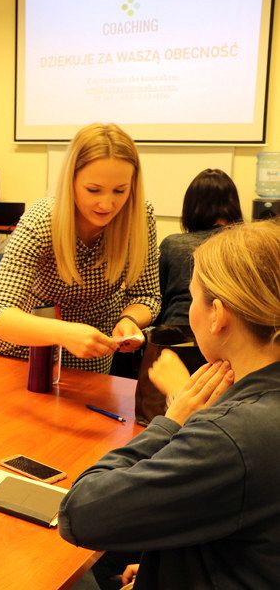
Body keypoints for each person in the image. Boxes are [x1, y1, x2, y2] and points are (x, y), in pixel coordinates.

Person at [59, 220, 280, 589]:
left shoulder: (229, 436)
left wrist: (172, 420)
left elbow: (78, 514)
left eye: (192, 298)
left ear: (217, 315)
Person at [0, 123, 160, 373]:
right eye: (93, 190)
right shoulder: (42, 221)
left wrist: (129, 319)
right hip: (26, 354)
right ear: (71, 181)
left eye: (120, 190)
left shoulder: (139, 218)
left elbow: (146, 296)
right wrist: (64, 333)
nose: (107, 204)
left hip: (91, 359)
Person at [156, 168, 242, 326]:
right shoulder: (243, 247)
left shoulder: (173, 244)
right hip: (226, 333)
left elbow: (156, 302)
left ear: (190, 207)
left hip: (176, 332)